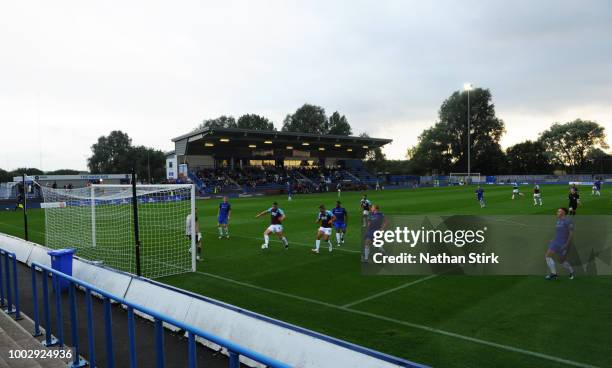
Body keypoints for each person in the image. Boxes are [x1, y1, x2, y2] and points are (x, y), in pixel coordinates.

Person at [545, 208, 575, 280]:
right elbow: (559, 232)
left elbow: (571, 234)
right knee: (547, 256)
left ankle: (571, 271)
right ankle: (554, 274)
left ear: (563, 213)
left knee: (561, 261)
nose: (557, 212)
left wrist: (566, 245)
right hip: (555, 242)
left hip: (563, 244)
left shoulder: (568, 221)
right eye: (557, 211)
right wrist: (553, 239)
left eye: (559, 211)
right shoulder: (558, 221)